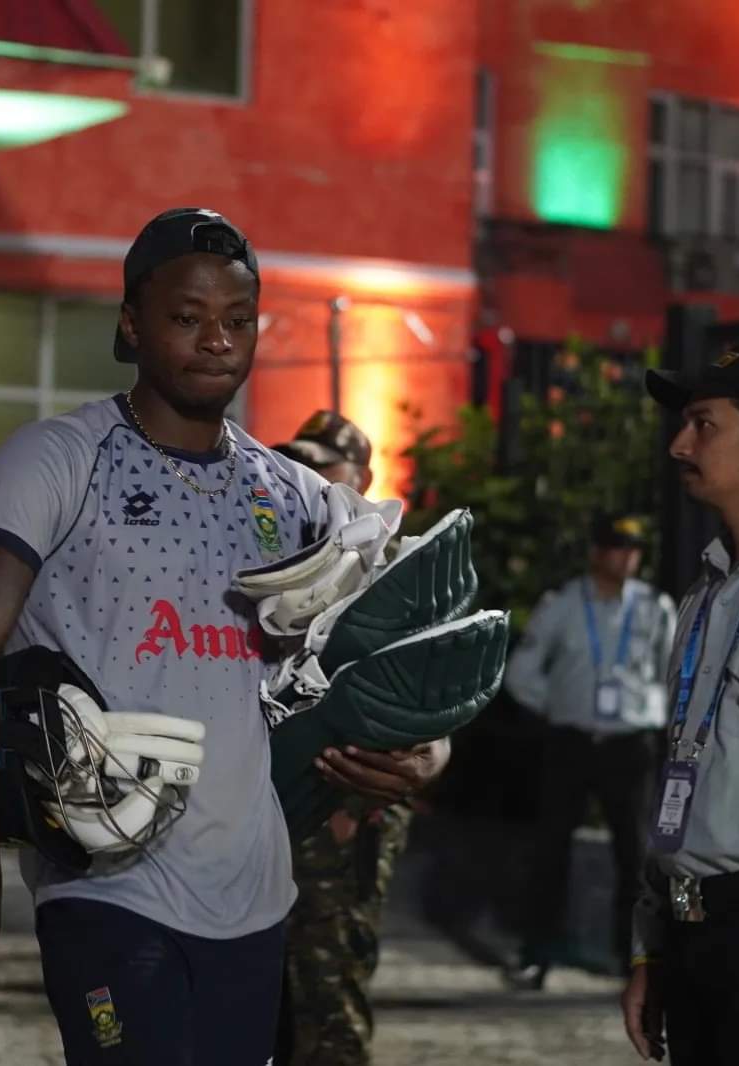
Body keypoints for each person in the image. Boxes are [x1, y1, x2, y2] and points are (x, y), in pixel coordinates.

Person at [0, 208, 444, 1065]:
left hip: (257, 895)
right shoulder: (59, 460)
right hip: (106, 888)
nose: (216, 341)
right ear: (131, 323)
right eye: (187, 317)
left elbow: (407, 644)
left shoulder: (294, 494)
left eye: (238, 320)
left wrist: (428, 751)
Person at [622, 335, 739, 1065]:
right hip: (695, 939)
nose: (679, 445)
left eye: (704, 423)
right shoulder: (704, 594)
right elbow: (681, 780)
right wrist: (651, 952)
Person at [272, 410, 451, 1066]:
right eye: (299, 462)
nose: (311, 478)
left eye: (325, 465)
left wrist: (362, 805)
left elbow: (427, 700)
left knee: (328, 987)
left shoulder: (399, 568)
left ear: (363, 477)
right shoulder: (275, 554)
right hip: (269, 803)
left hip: (349, 801)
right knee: (257, 994)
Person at [502, 512, 676, 988]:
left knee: (634, 856)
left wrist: (650, 711)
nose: (628, 557)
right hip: (572, 740)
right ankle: (537, 955)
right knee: (551, 850)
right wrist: (556, 704)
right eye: (619, 547)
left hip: (629, 744)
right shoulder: (563, 605)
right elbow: (522, 671)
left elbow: (671, 672)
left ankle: (634, 962)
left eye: (635, 549)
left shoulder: (655, 607)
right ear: (598, 553)